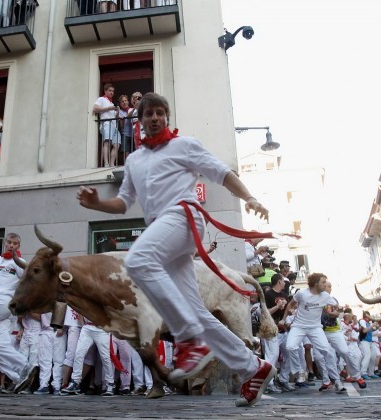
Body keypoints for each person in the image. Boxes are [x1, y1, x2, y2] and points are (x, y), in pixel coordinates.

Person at [75, 92, 274, 407]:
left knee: (138, 260)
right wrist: (97, 203)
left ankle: (188, 338)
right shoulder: (134, 160)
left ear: (166, 116)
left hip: (184, 216)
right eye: (148, 114)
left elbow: (221, 173)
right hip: (163, 229)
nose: (154, 117)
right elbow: (123, 202)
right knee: (195, 310)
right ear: (139, 121)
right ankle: (253, 367)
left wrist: (248, 197)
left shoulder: (185, 145)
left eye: (159, 112)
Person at [280, 273, 346, 393]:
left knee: (327, 351)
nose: (326, 285)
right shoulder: (302, 294)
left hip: (315, 328)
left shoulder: (325, 296)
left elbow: (337, 307)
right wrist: (284, 319)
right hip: (299, 326)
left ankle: (336, 381)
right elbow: (290, 304)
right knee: (290, 347)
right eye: (323, 282)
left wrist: (340, 309)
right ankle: (300, 372)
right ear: (316, 284)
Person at [0, 233, 38, 393]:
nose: (11, 245)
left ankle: (23, 369)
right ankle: (20, 373)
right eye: (9, 242)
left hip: (3, 301)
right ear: (5, 243)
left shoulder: (21, 263)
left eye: (15, 243)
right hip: (2, 312)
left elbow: (29, 284)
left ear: (18, 246)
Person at [93, 83, 121, 167]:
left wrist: (117, 111)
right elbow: (95, 109)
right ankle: (106, 163)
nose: (112, 92)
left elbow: (115, 116)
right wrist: (108, 108)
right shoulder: (101, 99)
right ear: (105, 91)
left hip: (114, 126)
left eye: (113, 91)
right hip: (106, 124)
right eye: (110, 90)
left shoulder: (112, 103)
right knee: (107, 143)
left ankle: (112, 163)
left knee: (117, 144)